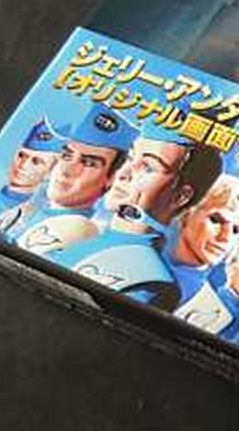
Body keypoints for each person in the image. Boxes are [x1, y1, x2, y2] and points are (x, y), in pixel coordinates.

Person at [45, 118, 222, 310]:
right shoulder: (79, 235)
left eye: (147, 167)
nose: (123, 173)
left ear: (181, 196)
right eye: (130, 158)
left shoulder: (149, 285)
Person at [6, 102, 137, 254]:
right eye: (67, 156)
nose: (67, 170)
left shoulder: (79, 229)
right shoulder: (30, 209)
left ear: (112, 178)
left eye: (88, 163)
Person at [166, 174, 239, 321]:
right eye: (216, 220)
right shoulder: (138, 251)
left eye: (236, 230)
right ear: (187, 212)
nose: (226, 237)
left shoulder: (216, 313)